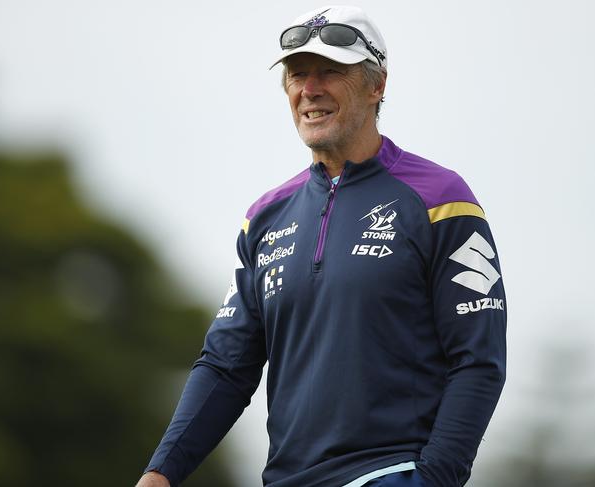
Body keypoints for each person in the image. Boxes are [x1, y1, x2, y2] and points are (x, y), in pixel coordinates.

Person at [135, 5, 506, 487]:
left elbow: (478, 360)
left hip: (391, 473)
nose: (310, 89)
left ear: (378, 85)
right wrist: (160, 474)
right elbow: (226, 367)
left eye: (330, 71)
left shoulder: (441, 199)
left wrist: (434, 479)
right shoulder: (264, 217)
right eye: (297, 74)